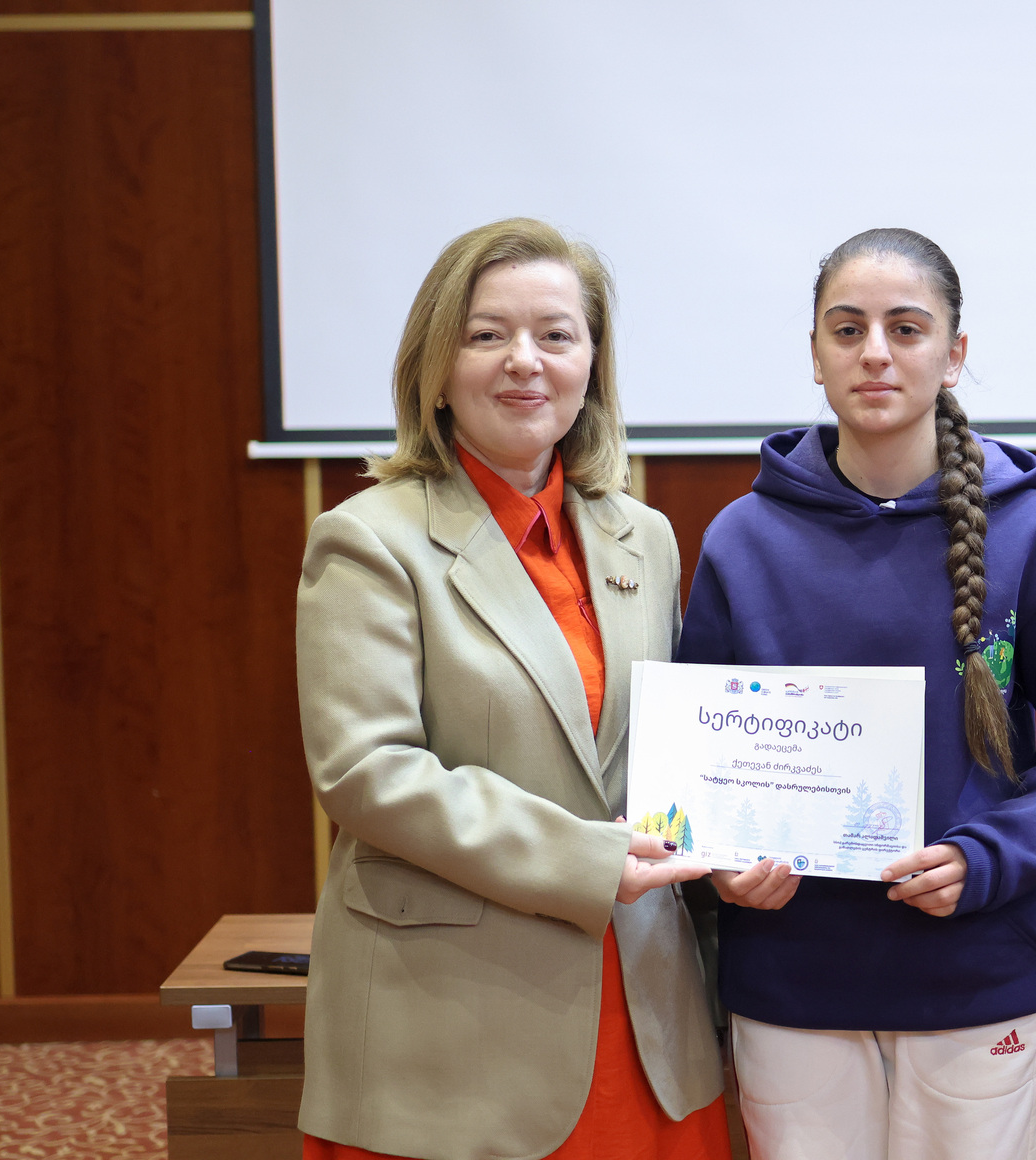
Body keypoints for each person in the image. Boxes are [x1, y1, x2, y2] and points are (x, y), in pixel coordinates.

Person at [676, 227, 1036, 1160]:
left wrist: (990, 857)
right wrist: (723, 860)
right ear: (816, 353)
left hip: (978, 979)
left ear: (954, 353)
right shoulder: (741, 540)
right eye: (847, 329)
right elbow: (704, 759)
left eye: (906, 328)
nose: (875, 353)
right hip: (792, 987)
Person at [294, 218, 731, 1160]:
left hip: (643, 1014)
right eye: (487, 334)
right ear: (435, 367)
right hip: (457, 1024)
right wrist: (585, 862)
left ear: (591, 366)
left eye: (556, 335)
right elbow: (366, 773)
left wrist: (739, 844)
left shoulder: (645, 537)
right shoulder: (368, 540)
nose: (524, 361)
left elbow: (672, 755)